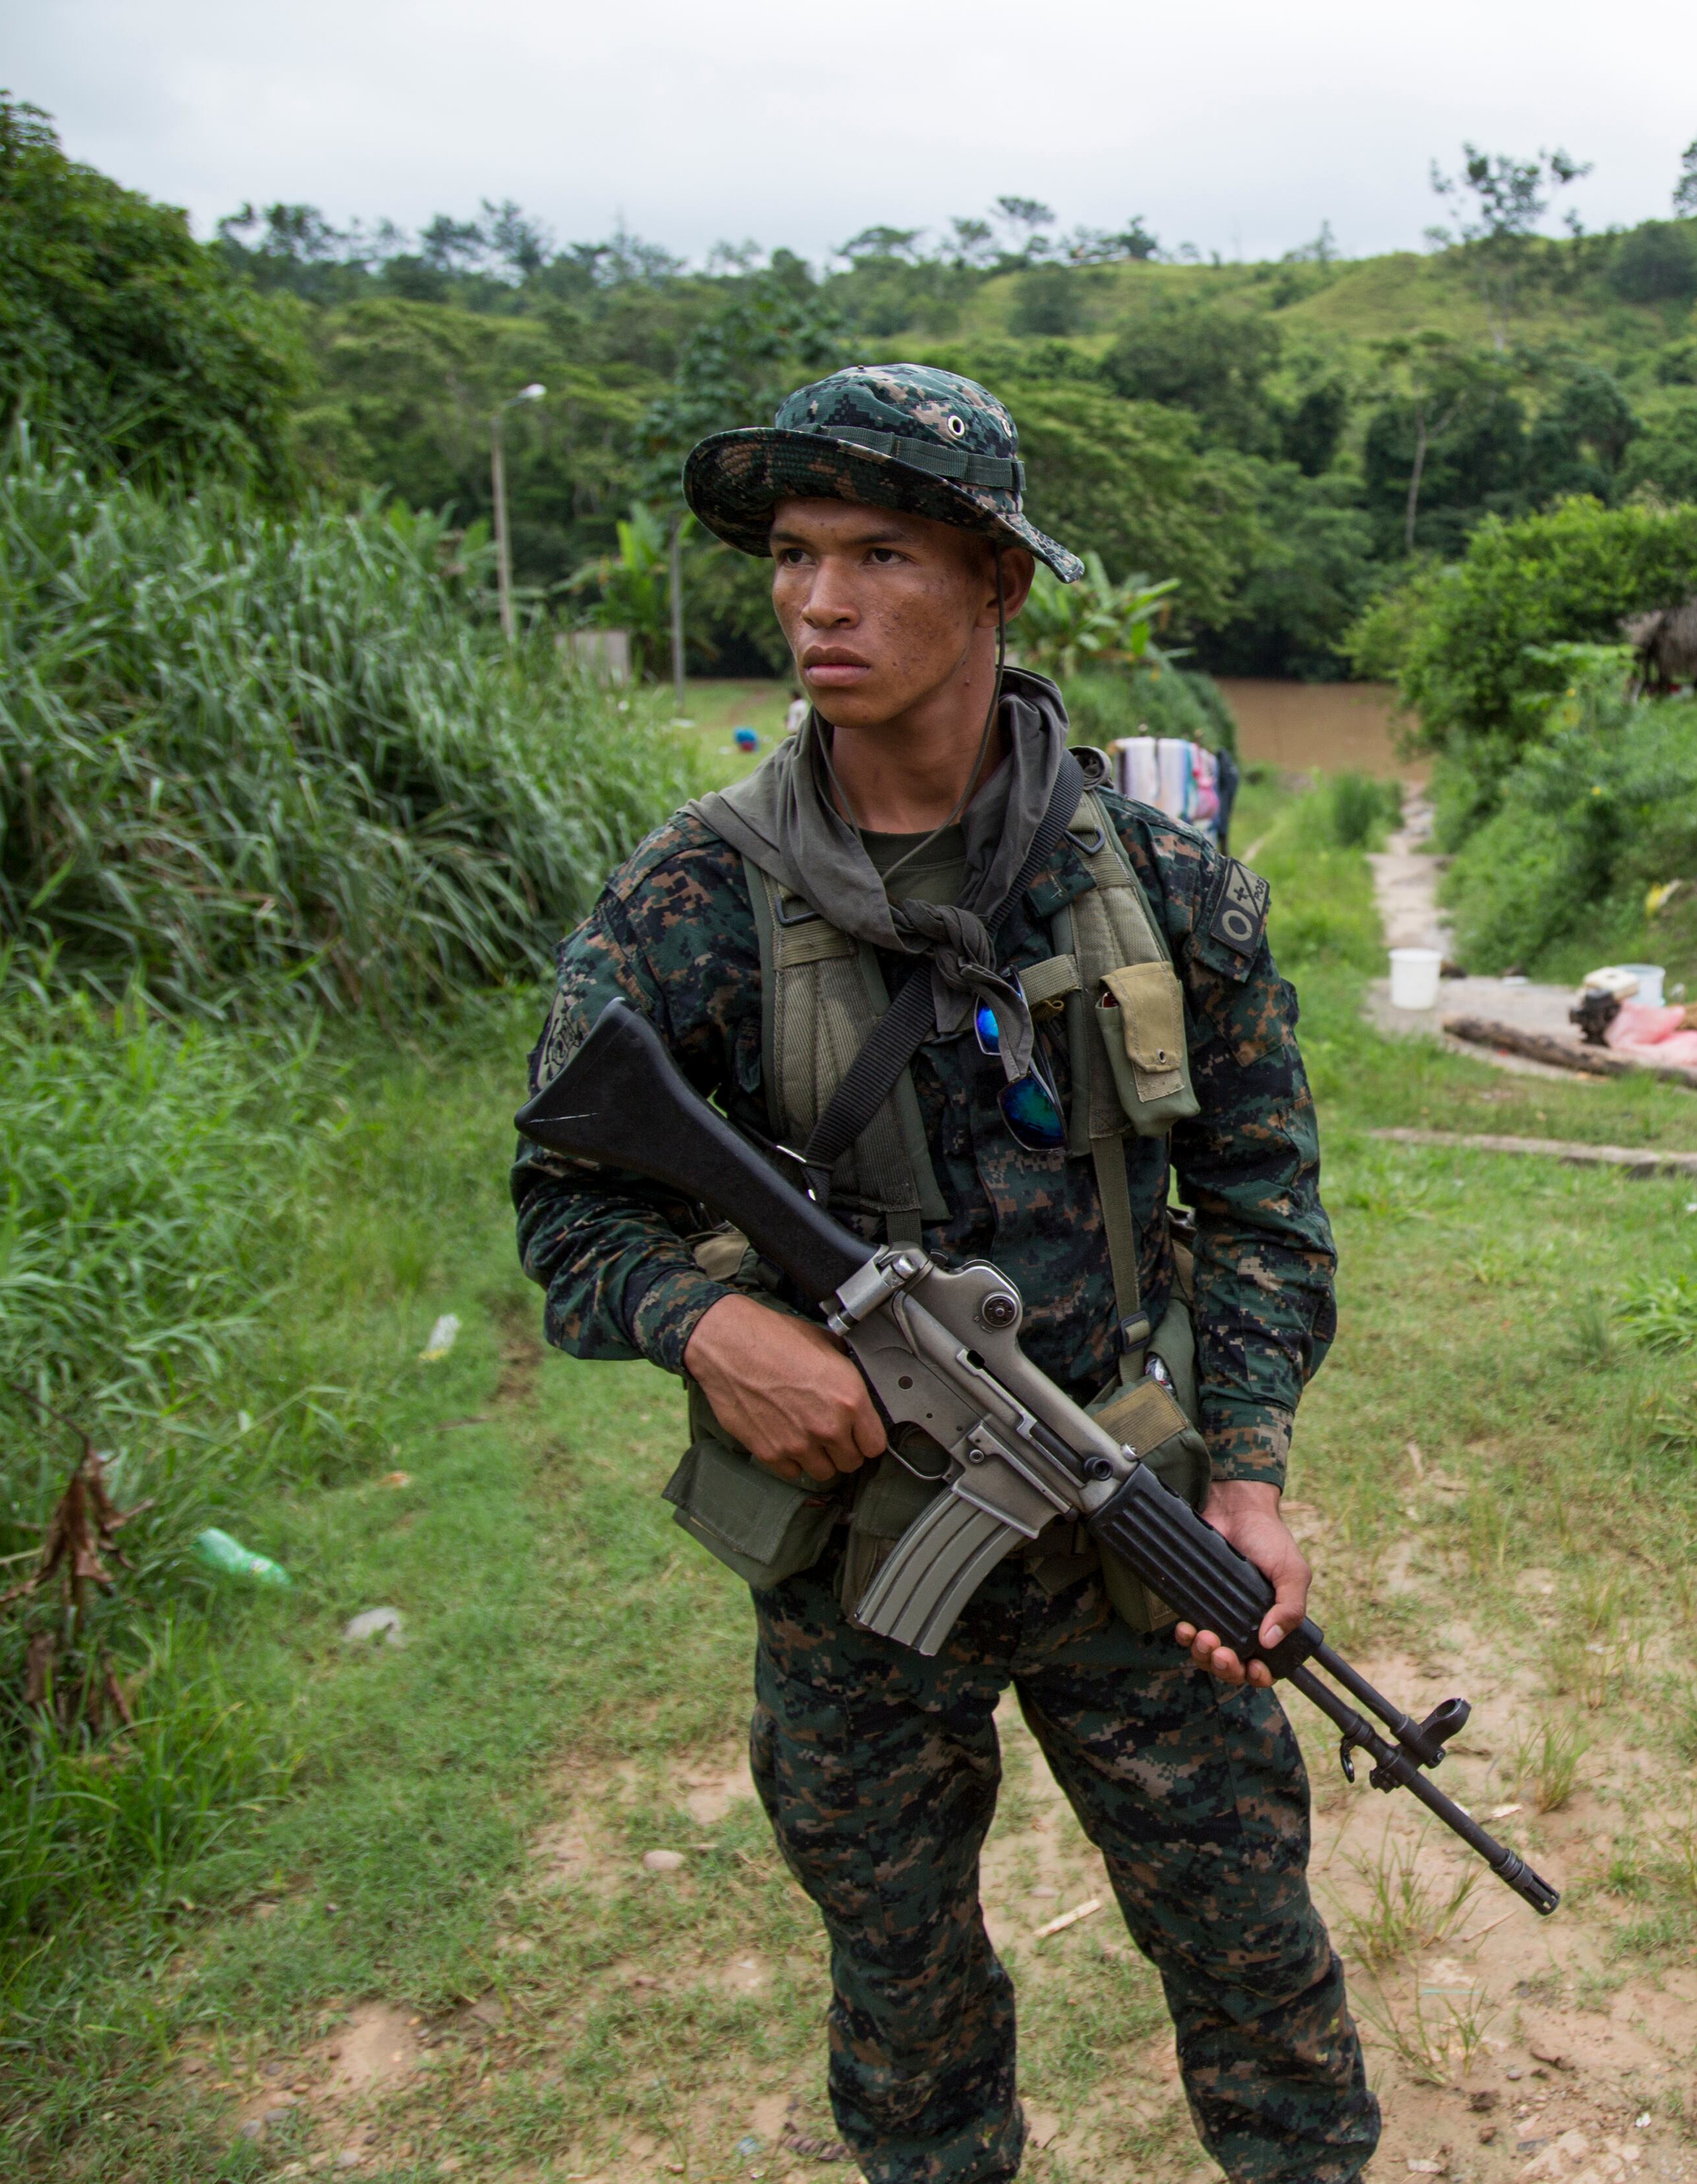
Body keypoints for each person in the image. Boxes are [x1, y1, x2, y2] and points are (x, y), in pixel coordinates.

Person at [511, 364, 1376, 2184]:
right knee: (907, 2014)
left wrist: (1250, 1476)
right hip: (851, 1574)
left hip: (1134, 1529)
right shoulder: (693, 899)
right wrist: (710, 1323)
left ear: (999, 580)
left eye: (879, 553)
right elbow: (568, 1206)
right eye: (797, 556)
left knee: (1256, 1971)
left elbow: (1268, 1203)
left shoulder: (1160, 880)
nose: (817, 601)